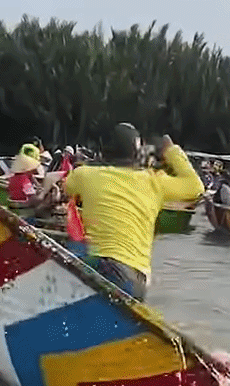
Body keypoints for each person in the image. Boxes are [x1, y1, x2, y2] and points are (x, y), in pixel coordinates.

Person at [64, 124, 204, 300]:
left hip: (106, 271)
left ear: (104, 151)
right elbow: (196, 187)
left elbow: (67, 188)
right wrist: (171, 150)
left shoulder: (83, 175)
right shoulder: (155, 182)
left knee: (74, 249)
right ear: (138, 153)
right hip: (137, 284)